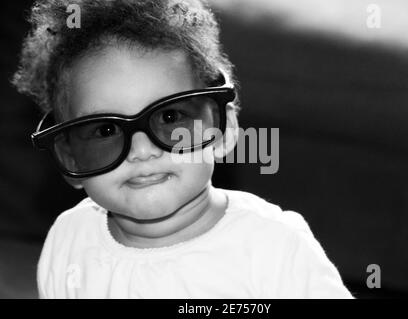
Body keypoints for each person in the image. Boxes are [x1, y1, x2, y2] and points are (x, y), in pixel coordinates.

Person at [12, 0, 353, 298]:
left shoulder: (272, 245)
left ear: (223, 129)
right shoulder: (69, 240)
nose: (142, 150)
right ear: (68, 156)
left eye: (170, 116)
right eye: (106, 129)